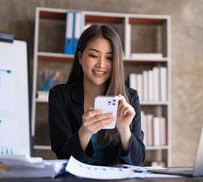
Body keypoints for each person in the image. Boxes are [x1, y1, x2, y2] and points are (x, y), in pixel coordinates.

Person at [48, 25, 145, 166]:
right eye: (94, 56)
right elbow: (63, 156)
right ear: (80, 57)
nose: (101, 65)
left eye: (109, 58)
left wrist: (124, 130)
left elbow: (137, 161)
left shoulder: (130, 97)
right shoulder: (60, 95)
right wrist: (85, 132)